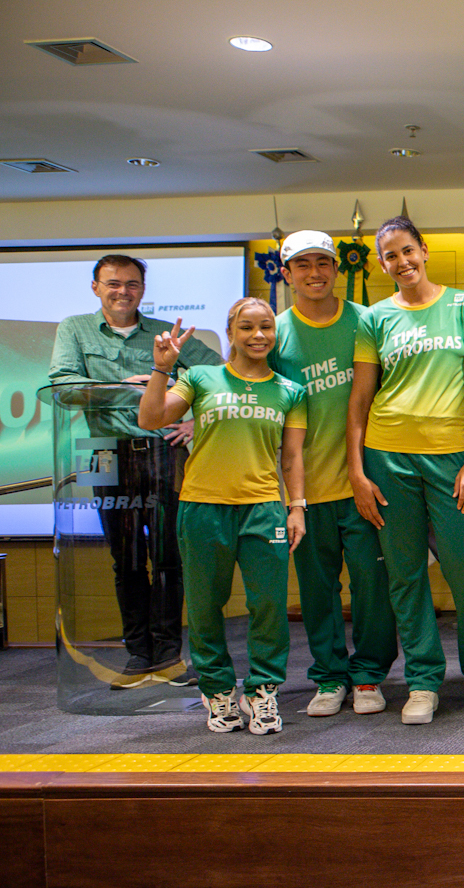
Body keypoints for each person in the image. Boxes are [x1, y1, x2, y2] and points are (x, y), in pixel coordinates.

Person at [347, 216, 464, 725]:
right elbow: (361, 399)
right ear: (382, 263)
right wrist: (357, 471)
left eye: (408, 250)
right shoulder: (374, 318)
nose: (402, 262)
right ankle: (423, 680)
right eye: (391, 256)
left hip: (452, 456)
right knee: (405, 575)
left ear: (425, 250)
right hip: (387, 457)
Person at [49, 254, 221, 688]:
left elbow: (223, 378)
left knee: (168, 557)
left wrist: (196, 420)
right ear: (95, 287)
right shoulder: (74, 328)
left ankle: (168, 656)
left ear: (142, 290)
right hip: (101, 452)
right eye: (112, 283)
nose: (122, 291)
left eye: (131, 284)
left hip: (163, 451)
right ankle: (137, 656)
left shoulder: (168, 336)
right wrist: (119, 390)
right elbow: (63, 388)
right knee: (123, 560)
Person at [136, 299, 307, 734]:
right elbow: (151, 416)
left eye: (266, 327)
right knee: (206, 607)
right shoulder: (199, 377)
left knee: (268, 605)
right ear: (230, 332)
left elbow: (291, 459)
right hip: (202, 508)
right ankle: (217, 691)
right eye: (247, 327)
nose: (258, 335)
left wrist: (297, 507)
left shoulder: (290, 390)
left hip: (263, 508)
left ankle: (262, 691)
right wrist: (162, 369)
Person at [270, 230, 399, 717]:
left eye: (323, 263)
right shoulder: (275, 332)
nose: (315, 273)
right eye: (302, 265)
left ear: (337, 268)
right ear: (287, 275)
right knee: (317, 591)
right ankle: (329, 676)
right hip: (305, 489)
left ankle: (368, 677)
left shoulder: (366, 321)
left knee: (372, 586)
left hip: (366, 483)